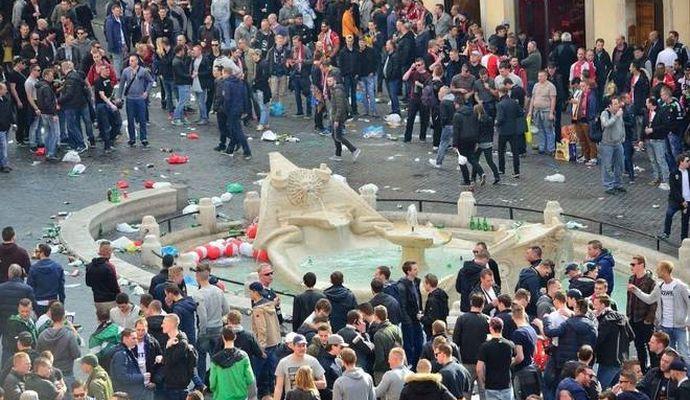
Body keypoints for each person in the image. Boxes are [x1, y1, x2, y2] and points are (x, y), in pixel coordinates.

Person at [628, 260, 690, 360]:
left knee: (684, 353)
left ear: (665, 270)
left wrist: (688, 321)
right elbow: (649, 299)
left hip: (680, 326)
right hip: (664, 326)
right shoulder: (660, 286)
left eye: (659, 269)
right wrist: (636, 290)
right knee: (669, 354)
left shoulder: (680, 286)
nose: (656, 271)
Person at [543, 299, 598, 378]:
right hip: (582, 363)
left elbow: (550, 332)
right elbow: (593, 344)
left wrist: (546, 319)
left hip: (565, 363)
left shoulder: (568, 323)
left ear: (577, 309)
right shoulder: (592, 326)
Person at [192, 263, 228, 377]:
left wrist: (202, 331)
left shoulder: (198, 294)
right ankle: (216, 381)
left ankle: (202, 382)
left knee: (201, 358)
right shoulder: (218, 291)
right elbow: (226, 309)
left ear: (197, 276)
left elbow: (202, 316)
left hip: (206, 329)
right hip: (218, 327)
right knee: (216, 358)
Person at [453, 294, 490, 400]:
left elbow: (456, 341)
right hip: (483, 361)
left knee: (466, 392)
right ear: (483, 305)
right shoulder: (486, 320)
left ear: (470, 303)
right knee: (484, 392)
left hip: (466, 361)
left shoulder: (462, 319)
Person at [36, 302, 81, 387]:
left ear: (51, 316)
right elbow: (77, 354)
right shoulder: (69, 335)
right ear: (64, 316)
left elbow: (38, 354)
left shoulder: (42, 335)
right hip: (67, 374)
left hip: (48, 376)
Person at [626, 255, 657, 373]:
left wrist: (648, 319)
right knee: (639, 346)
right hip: (633, 318)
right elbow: (629, 298)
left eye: (633, 264)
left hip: (645, 319)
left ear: (641, 265)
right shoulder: (631, 278)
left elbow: (653, 302)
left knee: (651, 347)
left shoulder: (650, 281)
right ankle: (643, 371)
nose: (631, 267)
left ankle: (654, 371)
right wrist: (628, 314)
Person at [273, 334, 327, 400]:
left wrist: (306, 382)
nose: (302, 348)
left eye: (304, 346)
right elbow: (278, 387)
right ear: (293, 346)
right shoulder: (283, 362)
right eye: (299, 346)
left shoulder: (313, 361)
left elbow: (324, 384)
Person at [209, 326, 256, 400]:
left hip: (221, 397)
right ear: (235, 337)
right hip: (240, 396)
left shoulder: (215, 360)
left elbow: (212, 384)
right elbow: (250, 379)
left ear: (223, 338)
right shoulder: (243, 356)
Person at [118, 53, 154, 147]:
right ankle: (132, 138)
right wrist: (119, 97)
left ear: (137, 61)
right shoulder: (126, 71)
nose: (131, 62)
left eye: (133, 61)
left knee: (142, 119)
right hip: (130, 98)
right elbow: (121, 84)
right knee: (130, 119)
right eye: (130, 61)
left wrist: (146, 92)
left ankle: (143, 138)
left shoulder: (143, 71)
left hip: (140, 98)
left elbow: (151, 81)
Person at [476, 317, 516, 400]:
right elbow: (515, 359)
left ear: (490, 328)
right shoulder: (510, 345)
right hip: (506, 384)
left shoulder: (485, 347)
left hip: (491, 385)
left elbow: (479, 368)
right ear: (502, 328)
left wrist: (483, 382)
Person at [161, 314, 198, 400]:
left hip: (177, 387)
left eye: (164, 323)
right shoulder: (172, 340)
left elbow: (169, 362)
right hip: (171, 384)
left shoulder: (181, 343)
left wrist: (167, 347)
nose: (162, 325)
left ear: (171, 325)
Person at [327, 73, 361, 162]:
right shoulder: (334, 90)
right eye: (327, 81)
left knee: (338, 136)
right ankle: (338, 154)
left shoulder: (338, 91)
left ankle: (354, 150)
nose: (328, 83)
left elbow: (340, 107)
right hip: (335, 116)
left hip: (338, 117)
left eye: (330, 81)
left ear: (334, 81)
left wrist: (336, 120)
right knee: (335, 135)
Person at [396, 261, 424, 368]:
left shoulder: (416, 282)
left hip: (417, 319)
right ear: (408, 272)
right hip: (409, 321)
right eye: (415, 269)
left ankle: (417, 364)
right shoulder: (402, 286)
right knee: (409, 345)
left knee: (419, 343)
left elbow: (418, 300)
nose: (417, 271)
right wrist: (407, 321)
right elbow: (402, 306)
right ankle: (410, 365)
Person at [85, 241, 122, 319]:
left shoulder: (89, 266)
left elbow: (88, 283)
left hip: (97, 300)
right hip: (110, 300)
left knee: (101, 323)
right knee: (113, 324)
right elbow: (114, 287)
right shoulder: (109, 267)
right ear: (108, 252)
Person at [659, 154, 690, 240]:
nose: (689, 163)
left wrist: (686, 201)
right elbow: (674, 190)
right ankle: (666, 232)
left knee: (685, 220)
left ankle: (683, 239)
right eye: (687, 161)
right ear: (681, 162)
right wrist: (682, 200)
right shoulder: (674, 173)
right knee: (669, 214)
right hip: (676, 201)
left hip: (688, 201)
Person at [109, 329, 147, 399]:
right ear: (125, 339)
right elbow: (122, 377)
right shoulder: (121, 354)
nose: (136, 341)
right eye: (133, 338)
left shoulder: (126, 352)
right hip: (127, 394)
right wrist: (142, 377)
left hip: (130, 393)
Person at [27, 244, 64, 316]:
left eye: (37, 251)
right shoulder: (58, 267)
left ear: (42, 253)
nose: (35, 253)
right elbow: (61, 286)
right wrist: (62, 302)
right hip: (53, 301)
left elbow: (30, 287)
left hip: (38, 302)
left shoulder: (34, 268)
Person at [93, 64, 122, 153]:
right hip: (102, 106)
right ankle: (107, 146)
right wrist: (111, 104)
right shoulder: (98, 81)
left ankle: (110, 140)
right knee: (105, 126)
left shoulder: (108, 80)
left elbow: (110, 93)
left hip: (109, 103)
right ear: (101, 71)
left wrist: (115, 101)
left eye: (108, 70)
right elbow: (102, 95)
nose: (108, 71)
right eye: (106, 70)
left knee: (118, 123)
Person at [528, 70, 557, 155]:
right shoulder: (536, 85)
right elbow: (533, 98)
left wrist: (551, 113)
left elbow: (553, 100)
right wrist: (530, 111)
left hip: (546, 110)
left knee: (548, 129)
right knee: (539, 129)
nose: (539, 78)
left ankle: (550, 148)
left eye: (541, 76)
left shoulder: (551, 86)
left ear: (546, 76)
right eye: (538, 76)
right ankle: (542, 147)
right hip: (537, 110)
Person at [372, 305, 403, 384]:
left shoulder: (378, 335)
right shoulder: (396, 328)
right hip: (398, 366)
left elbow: (380, 359)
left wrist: (374, 369)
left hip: (384, 371)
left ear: (376, 317)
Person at [495, 86, 522, 178]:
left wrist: (496, 124)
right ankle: (516, 171)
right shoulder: (514, 102)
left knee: (501, 151)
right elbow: (520, 113)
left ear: (501, 93)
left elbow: (500, 118)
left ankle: (501, 169)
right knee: (515, 151)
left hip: (503, 131)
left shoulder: (500, 104)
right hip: (513, 130)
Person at [421, 274, 449, 338]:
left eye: (424, 283)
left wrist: (421, 318)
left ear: (428, 284)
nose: (423, 286)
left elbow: (432, 319)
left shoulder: (432, 299)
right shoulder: (442, 295)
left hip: (433, 332)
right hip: (442, 328)